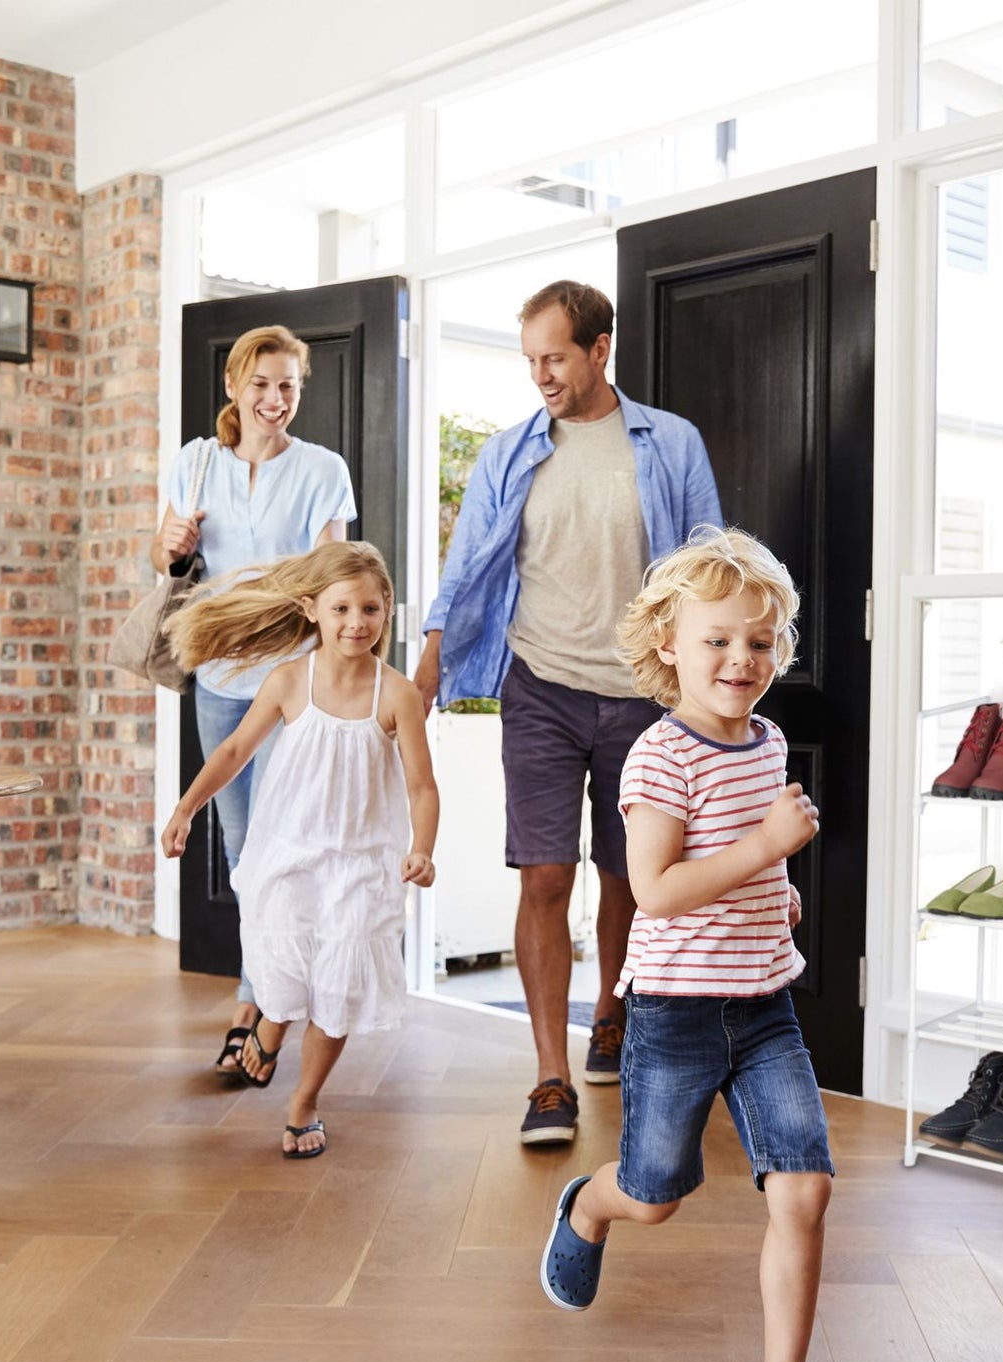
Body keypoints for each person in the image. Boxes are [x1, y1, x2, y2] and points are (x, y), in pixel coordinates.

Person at [538, 529, 876, 1362]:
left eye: (759, 642)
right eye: (717, 639)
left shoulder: (766, 740)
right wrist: (765, 849)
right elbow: (655, 889)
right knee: (655, 1192)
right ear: (668, 647)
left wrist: (778, 891)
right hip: (676, 1015)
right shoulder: (659, 757)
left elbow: (731, 863)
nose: (741, 659)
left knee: (803, 1188)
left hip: (765, 1009)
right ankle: (588, 1204)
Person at [414, 280, 723, 1146]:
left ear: (599, 348)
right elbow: (467, 563)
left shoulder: (669, 443)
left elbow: (706, 565)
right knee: (545, 875)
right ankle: (549, 1076)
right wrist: (429, 662)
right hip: (541, 685)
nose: (540, 375)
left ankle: (612, 1012)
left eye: (554, 357)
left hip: (642, 696)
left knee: (629, 876)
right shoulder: (509, 452)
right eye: (529, 360)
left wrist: (711, 681)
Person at [160, 541, 438, 1156]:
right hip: (288, 852)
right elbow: (233, 751)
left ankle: (303, 1103)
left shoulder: (397, 696)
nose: (356, 623)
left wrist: (422, 848)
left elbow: (422, 785)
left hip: (363, 863)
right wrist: (186, 807)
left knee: (337, 991)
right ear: (312, 610)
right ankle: (269, 1026)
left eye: (370, 609)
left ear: (387, 609)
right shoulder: (289, 681)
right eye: (341, 609)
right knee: (283, 965)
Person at [150, 325, 356, 1083]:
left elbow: (334, 575)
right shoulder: (193, 462)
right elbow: (162, 559)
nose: (276, 400)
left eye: (289, 386)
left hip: (288, 683)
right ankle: (264, 989)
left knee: (284, 845)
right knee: (243, 854)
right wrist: (170, 541)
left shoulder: (322, 469)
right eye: (263, 384)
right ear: (235, 384)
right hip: (216, 678)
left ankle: (256, 1004)